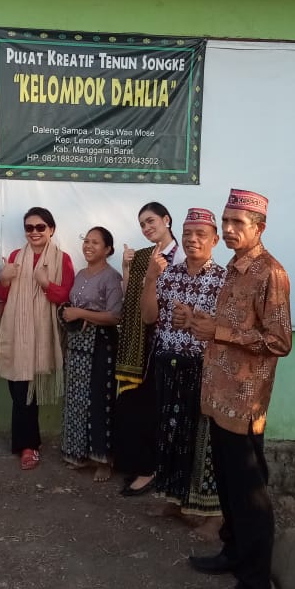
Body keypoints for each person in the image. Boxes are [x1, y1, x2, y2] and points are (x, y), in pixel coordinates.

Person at [181, 189, 292, 589]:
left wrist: (221, 334)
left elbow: (280, 341)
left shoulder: (270, 273)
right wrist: (200, 325)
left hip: (245, 402)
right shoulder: (233, 267)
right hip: (219, 396)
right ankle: (233, 553)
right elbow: (226, 328)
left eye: (237, 224)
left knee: (250, 496)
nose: (228, 230)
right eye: (226, 222)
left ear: (259, 228)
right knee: (227, 484)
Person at [141, 208, 225, 529]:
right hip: (168, 365)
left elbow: (227, 327)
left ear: (215, 240)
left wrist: (196, 322)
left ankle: (205, 510)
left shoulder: (223, 280)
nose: (192, 239)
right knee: (170, 436)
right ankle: (175, 501)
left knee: (200, 440)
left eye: (201, 234)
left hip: (203, 370)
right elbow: (149, 317)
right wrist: (150, 279)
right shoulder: (170, 275)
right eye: (188, 233)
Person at [113, 201, 185, 495]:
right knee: (134, 405)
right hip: (138, 341)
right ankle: (139, 465)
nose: (146, 228)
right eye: (142, 224)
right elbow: (129, 295)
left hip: (167, 341)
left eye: (151, 221)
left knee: (156, 408)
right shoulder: (144, 256)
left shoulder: (181, 256)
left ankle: (154, 469)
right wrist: (126, 267)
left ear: (167, 220)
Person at [0, 207, 74, 471]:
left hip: (43, 337)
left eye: (40, 227)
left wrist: (45, 284)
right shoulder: (17, 257)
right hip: (16, 334)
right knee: (19, 391)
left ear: (51, 229)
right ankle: (27, 443)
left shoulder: (62, 259)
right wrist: (4, 280)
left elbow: (65, 298)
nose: (34, 232)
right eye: (29, 228)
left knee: (28, 394)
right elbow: (4, 296)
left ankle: (28, 445)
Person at [59, 227, 123, 482]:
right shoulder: (81, 274)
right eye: (86, 241)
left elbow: (115, 316)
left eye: (95, 242)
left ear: (107, 249)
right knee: (76, 399)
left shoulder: (112, 277)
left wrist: (80, 314)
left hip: (101, 345)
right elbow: (74, 308)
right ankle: (79, 453)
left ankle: (103, 461)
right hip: (77, 345)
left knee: (99, 402)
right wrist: (68, 314)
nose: (88, 245)